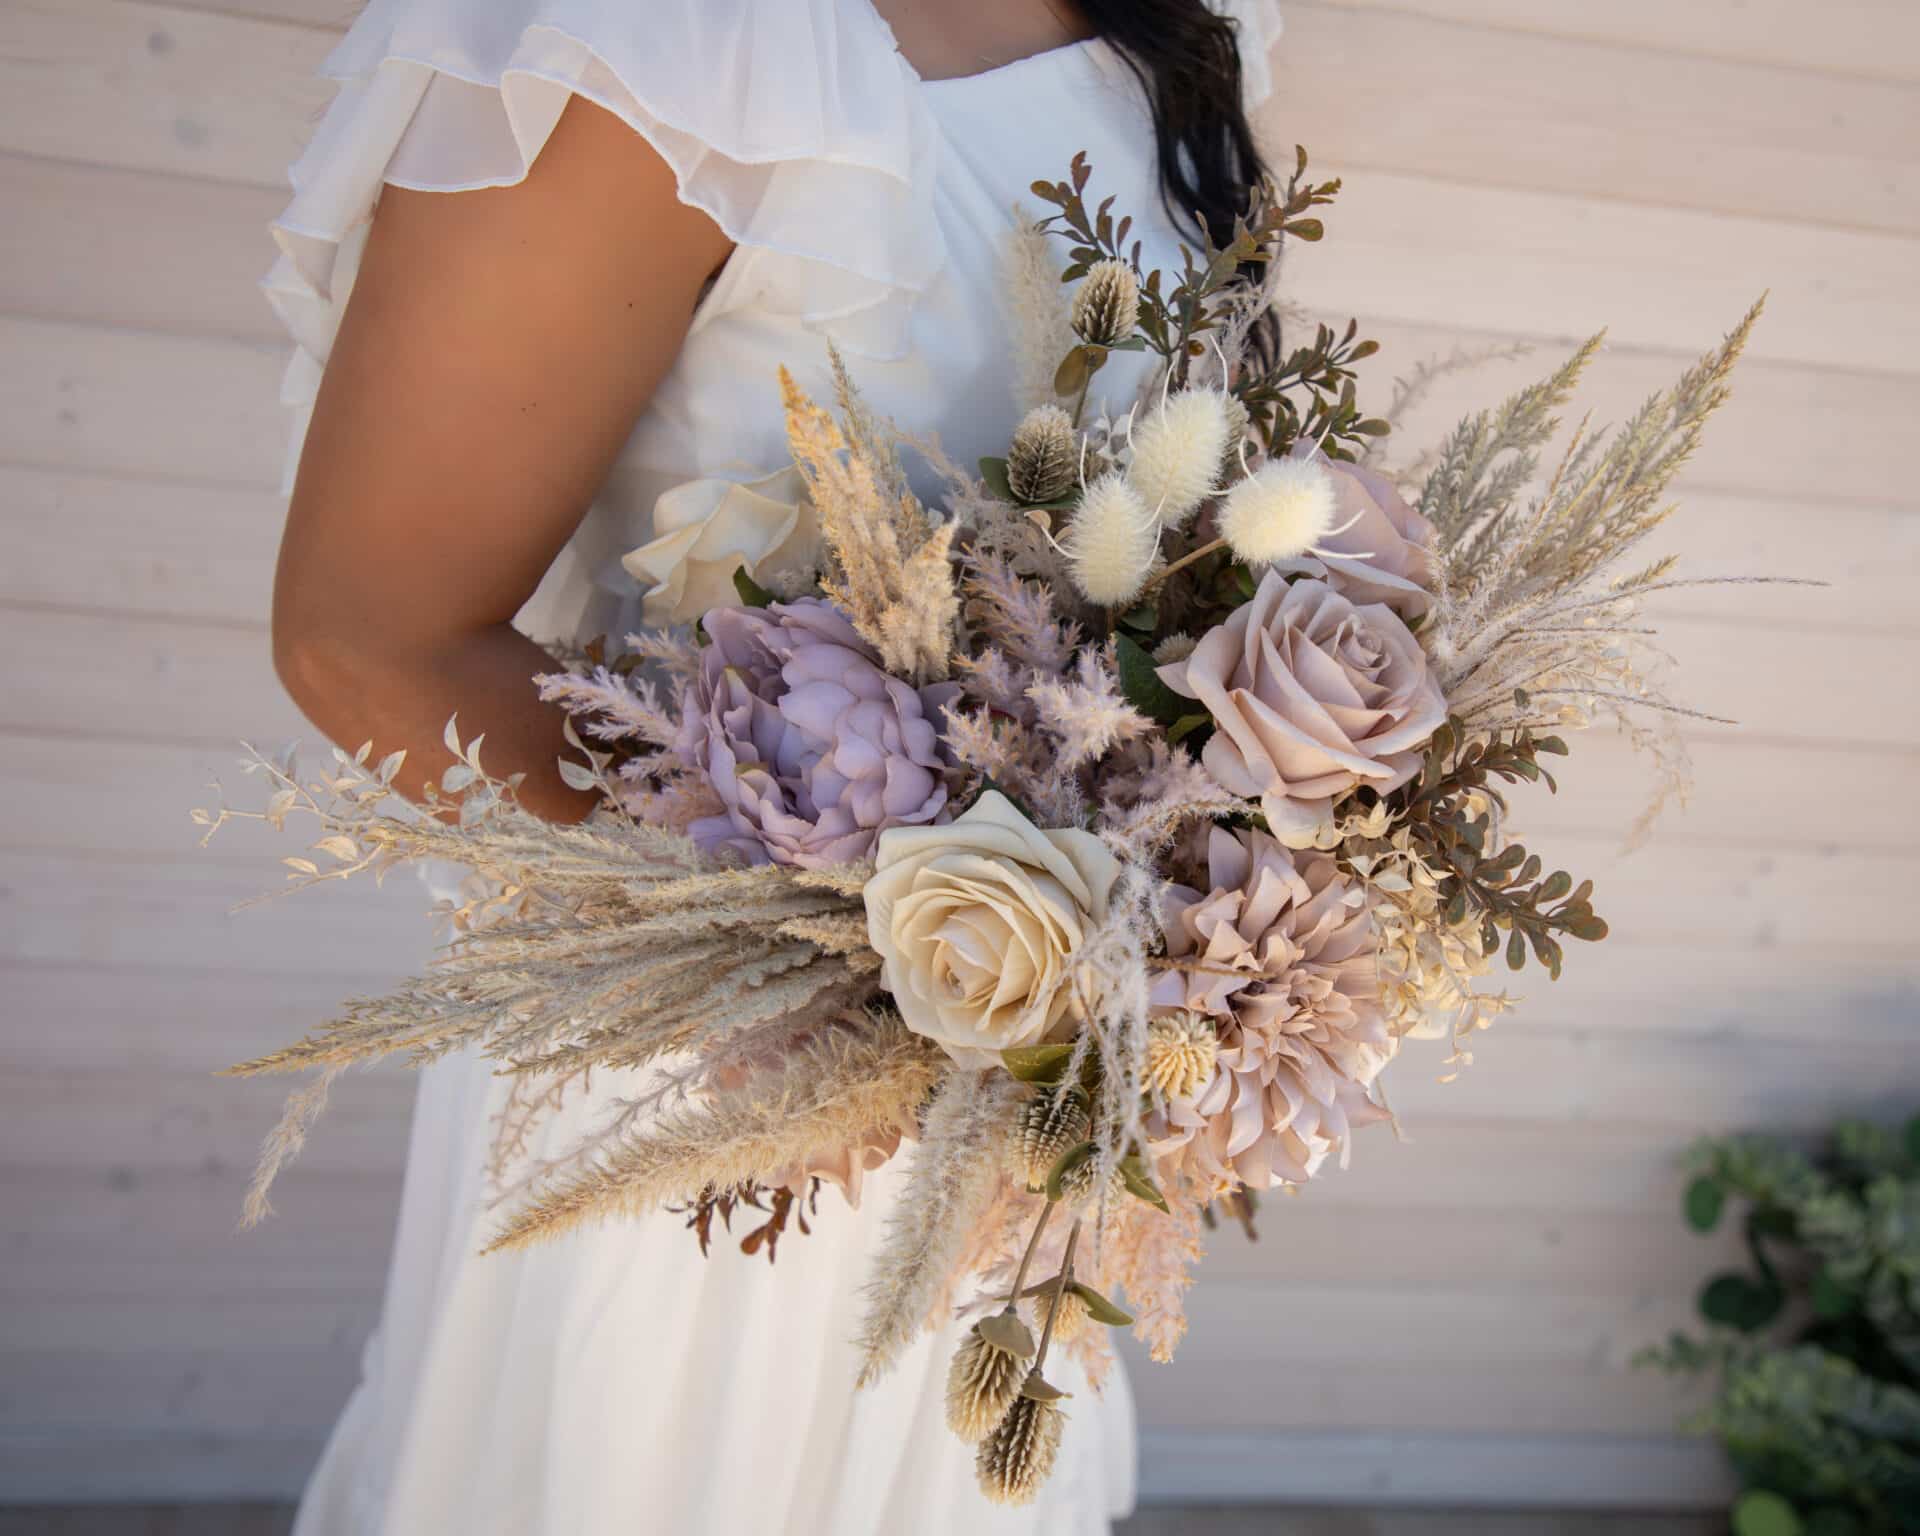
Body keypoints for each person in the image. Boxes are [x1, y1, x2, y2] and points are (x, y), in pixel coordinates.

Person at [264, 1, 1284, 1529]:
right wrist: (894, 956)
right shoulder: (667, 42)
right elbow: (373, 639)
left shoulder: (1202, 18)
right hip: (714, 1086)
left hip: (1024, 1096)